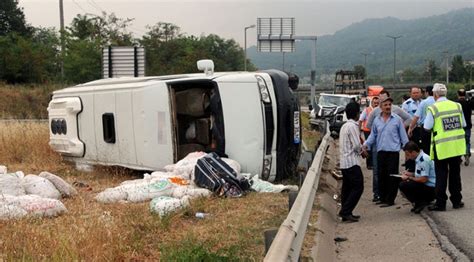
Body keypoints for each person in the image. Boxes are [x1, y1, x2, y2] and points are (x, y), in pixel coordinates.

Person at [424, 83, 466, 211]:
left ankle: (441, 203)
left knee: (441, 176)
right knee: (455, 175)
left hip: (441, 148)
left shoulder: (433, 108)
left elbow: (427, 127)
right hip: (456, 147)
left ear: (435, 94)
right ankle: (457, 201)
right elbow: (463, 123)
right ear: (446, 93)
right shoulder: (457, 105)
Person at [366, 91, 411, 202]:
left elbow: (403, 137)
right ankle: (382, 197)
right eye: (385, 105)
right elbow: (372, 135)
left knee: (391, 176)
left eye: (389, 105)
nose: (388, 107)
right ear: (380, 107)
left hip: (393, 152)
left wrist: (408, 150)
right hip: (381, 151)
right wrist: (365, 145)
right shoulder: (377, 120)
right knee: (381, 175)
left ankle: (390, 199)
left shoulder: (397, 120)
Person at [338, 101, 366, 222]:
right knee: (358, 186)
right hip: (351, 162)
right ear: (356, 114)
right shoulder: (353, 126)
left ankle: (346, 211)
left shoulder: (344, 126)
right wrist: (363, 152)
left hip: (344, 162)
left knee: (347, 188)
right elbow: (356, 145)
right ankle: (346, 211)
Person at [399, 141, 436, 214]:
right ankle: (419, 202)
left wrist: (409, 178)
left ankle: (421, 202)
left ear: (413, 152)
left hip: (431, 188)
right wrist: (409, 174)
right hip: (426, 186)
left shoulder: (423, 160)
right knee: (401, 182)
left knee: (405, 185)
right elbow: (419, 174)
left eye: (408, 154)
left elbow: (423, 179)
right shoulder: (419, 158)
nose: (407, 157)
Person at [408, 86, 435, 154]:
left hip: (425, 129)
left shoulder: (424, 102)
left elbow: (416, 117)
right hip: (437, 127)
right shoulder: (437, 101)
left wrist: (410, 128)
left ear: (426, 93)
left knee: (426, 148)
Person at [359, 96, 380, 170]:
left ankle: (375, 163)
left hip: (377, 131)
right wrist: (359, 130)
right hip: (367, 131)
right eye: (375, 103)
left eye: (378, 103)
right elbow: (361, 120)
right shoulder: (367, 110)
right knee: (369, 147)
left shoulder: (380, 110)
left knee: (376, 147)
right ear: (372, 103)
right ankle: (369, 164)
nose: (376, 104)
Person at [456, 88, 473, 166]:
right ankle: (466, 154)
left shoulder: (455, 104)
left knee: (458, 142)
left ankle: (458, 157)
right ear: (465, 94)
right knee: (467, 141)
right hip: (467, 125)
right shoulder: (468, 102)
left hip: (457, 126)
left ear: (458, 94)